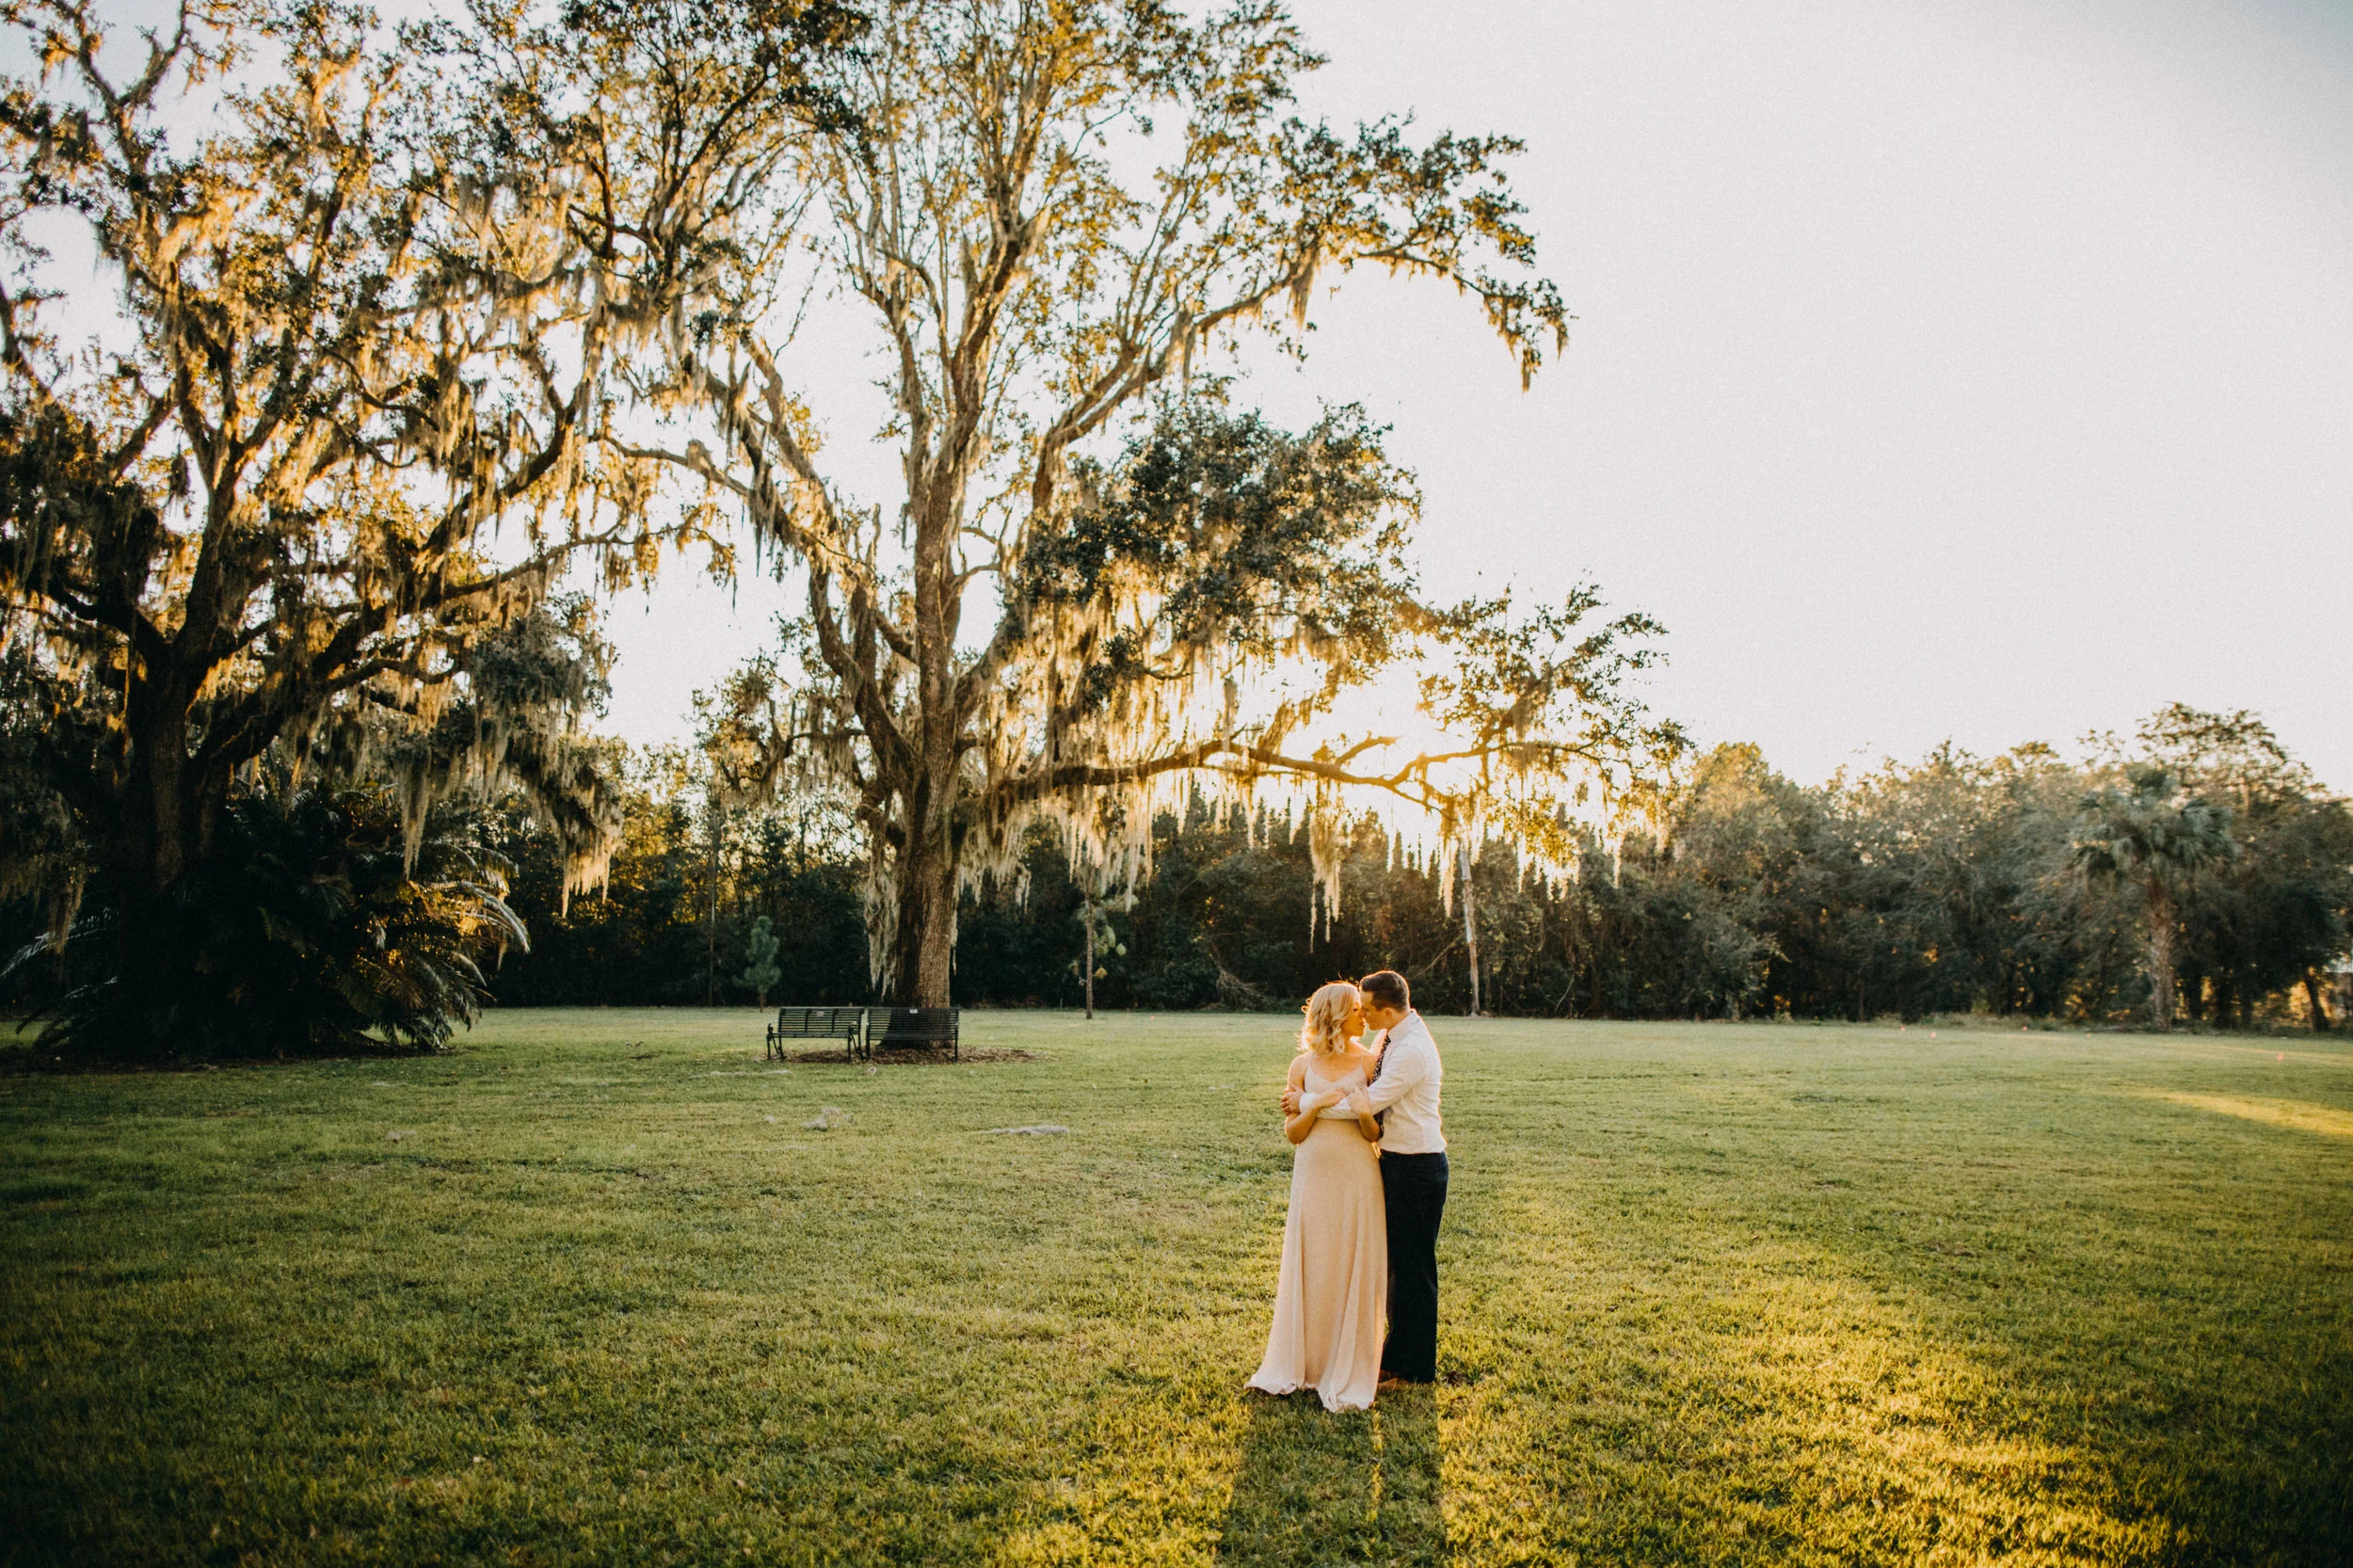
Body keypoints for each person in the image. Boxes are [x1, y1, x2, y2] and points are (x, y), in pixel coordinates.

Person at [1284, 968, 1446, 1385]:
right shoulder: (1389, 1037)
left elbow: (1365, 1103)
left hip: (1417, 1164)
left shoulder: (1410, 1050)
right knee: (1395, 1267)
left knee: (1414, 1269)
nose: (1364, 1015)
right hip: (1394, 1161)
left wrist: (1306, 1100)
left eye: (1368, 1009)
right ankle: (1394, 1357)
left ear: (1387, 1011)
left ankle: (1414, 1368)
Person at [1246, 982, 1388, 1412]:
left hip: (1358, 1176)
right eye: (1358, 1009)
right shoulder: (1301, 1066)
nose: (1366, 1016)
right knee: (1314, 1262)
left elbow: (1375, 1133)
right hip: (1312, 1175)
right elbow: (1293, 1134)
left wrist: (1360, 1112)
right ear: (1337, 1014)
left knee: (1349, 1260)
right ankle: (1304, 1363)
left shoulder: (1370, 1063)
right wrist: (1313, 1104)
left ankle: (1343, 1364)